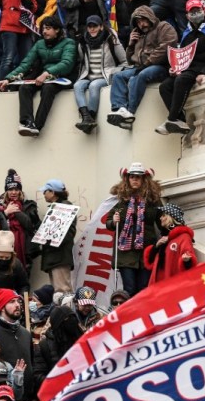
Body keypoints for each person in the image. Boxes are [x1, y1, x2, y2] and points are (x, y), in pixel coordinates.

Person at [156, 0, 205, 135]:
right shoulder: (187, 33)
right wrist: (175, 68)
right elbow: (182, 54)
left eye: (197, 10)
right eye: (192, 12)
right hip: (188, 68)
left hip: (201, 68)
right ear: (187, 15)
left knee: (181, 80)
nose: (195, 14)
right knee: (164, 86)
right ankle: (180, 119)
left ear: (204, 10)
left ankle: (171, 119)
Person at [0, 16, 77, 137]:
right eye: (43, 28)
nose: (44, 31)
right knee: (24, 88)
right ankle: (27, 122)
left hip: (62, 77)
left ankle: (37, 126)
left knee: (48, 89)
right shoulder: (39, 44)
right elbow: (26, 64)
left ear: (57, 30)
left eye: (48, 28)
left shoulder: (69, 43)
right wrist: (8, 79)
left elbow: (67, 64)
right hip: (42, 77)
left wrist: (47, 73)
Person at [107, 6, 176, 128]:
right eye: (138, 22)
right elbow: (130, 60)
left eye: (143, 20)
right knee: (118, 76)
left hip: (161, 66)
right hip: (140, 67)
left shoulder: (163, 27)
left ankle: (130, 111)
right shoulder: (139, 34)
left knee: (140, 76)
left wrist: (147, 63)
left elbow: (165, 48)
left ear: (150, 18)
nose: (141, 24)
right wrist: (131, 44)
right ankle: (120, 109)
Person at [105, 163, 162, 296]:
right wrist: (114, 221)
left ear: (143, 180)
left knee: (144, 289)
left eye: (138, 177)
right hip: (126, 254)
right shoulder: (120, 201)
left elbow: (163, 221)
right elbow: (108, 222)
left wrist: (173, 232)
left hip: (146, 252)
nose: (135, 179)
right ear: (127, 179)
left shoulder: (152, 201)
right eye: (132, 177)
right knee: (129, 289)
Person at [73, 15, 127, 133]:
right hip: (87, 75)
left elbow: (124, 61)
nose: (92, 29)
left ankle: (91, 117)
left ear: (101, 27)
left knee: (94, 86)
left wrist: (114, 73)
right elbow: (81, 61)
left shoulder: (111, 39)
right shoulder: (83, 42)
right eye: (89, 26)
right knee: (77, 86)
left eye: (95, 26)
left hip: (105, 75)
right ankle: (86, 117)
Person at [0, 0, 38, 80]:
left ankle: (21, 83)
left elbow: (35, 5)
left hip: (25, 25)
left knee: (26, 59)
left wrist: (31, 6)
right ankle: (1, 83)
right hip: (10, 24)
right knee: (8, 58)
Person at [0, 170, 41, 269]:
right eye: (10, 189)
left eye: (16, 189)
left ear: (20, 191)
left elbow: (29, 225)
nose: (14, 192)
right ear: (6, 191)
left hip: (24, 251)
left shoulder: (28, 205)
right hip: (3, 250)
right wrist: (6, 212)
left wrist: (15, 210)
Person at [37, 179, 77, 292]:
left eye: (45, 191)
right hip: (56, 256)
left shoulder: (64, 208)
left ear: (52, 192)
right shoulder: (57, 207)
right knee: (58, 292)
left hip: (59, 256)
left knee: (63, 291)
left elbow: (68, 234)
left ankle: (66, 309)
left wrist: (50, 240)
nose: (43, 194)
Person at [143, 203, 196, 285]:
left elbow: (189, 260)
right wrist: (156, 247)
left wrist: (186, 260)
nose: (160, 218)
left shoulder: (183, 237)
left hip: (173, 286)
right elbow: (151, 262)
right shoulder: (164, 239)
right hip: (159, 288)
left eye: (163, 215)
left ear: (170, 218)